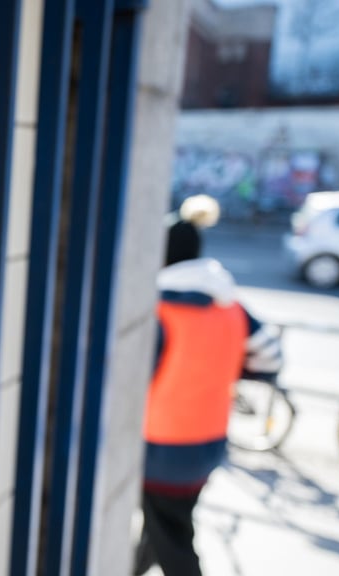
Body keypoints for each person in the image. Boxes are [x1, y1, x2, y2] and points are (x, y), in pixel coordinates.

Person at [135, 195, 282, 576]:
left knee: (173, 538)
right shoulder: (231, 306)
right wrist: (227, 368)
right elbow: (270, 359)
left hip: (161, 446)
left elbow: (130, 385)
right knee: (169, 523)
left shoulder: (157, 310)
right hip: (210, 442)